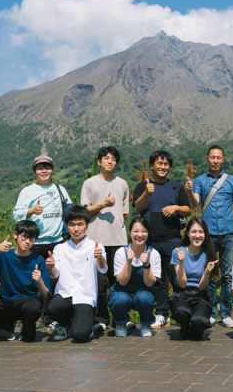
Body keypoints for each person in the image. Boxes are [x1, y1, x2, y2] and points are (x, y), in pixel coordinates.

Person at [185, 144, 233, 328]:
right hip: (207, 235)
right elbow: (195, 203)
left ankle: (226, 314)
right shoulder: (201, 180)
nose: (215, 161)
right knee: (209, 273)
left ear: (223, 160)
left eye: (219, 158)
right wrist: (188, 190)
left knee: (227, 275)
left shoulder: (232, 180)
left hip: (228, 233)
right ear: (207, 159)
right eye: (212, 157)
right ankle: (211, 312)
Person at [132, 150, 192, 329]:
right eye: (159, 163)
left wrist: (175, 207)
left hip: (172, 239)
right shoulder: (143, 186)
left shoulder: (176, 186)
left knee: (176, 277)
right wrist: (147, 193)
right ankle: (161, 314)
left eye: (166, 164)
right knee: (156, 279)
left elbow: (188, 210)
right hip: (149, 241)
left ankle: (182, 312)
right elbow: (138, 207)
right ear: (152, 166)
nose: (163, 167)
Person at [0, 220, 51, 343]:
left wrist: (39, 281)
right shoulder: (4, 255)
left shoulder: (38, 260)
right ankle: (5, 334)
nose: (27, 242)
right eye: (24, 237)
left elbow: (44, 295)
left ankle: (26, 331)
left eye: (32, 239)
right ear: (15, 235)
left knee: (33, 307)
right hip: (7, 304)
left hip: (28, 304)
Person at [81, 146, 130, 330]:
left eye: (114, 159)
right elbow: (84, 212)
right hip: (96, 240)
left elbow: (125, 214)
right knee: (99, 284)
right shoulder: (89, 183)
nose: (110, 161)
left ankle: (120, 318)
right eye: (106, 158)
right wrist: (103, 205)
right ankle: (101, 319)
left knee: (119, 282)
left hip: (118, 241)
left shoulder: (123, 184)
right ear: (99, 161)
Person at [45, 205, 107, 343]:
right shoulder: (60, 248)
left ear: (87, 225)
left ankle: (86, 325)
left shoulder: (95, 247)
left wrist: (100, 257)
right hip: (65, 294)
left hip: (85, 297)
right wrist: (51, 266)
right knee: (53, 308)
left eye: (80, 224)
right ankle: (64, 324)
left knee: (80, 336)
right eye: (72, 225)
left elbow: (103, 269)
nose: (76, 229)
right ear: (67, 226)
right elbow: (55, 274)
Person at [108, 217, 160, 337]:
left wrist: (146, 265)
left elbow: (149, 284)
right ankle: (120, 323)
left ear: (148, 233)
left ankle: (146, 324)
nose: (140, 235)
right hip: (123, 290)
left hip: (143, 291)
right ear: (130, 233)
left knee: (145, 298)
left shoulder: (154, 254)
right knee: (119, 299)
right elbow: (122, 281)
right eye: (136, 231)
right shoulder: (121, 252)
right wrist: (128, 262)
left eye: (143, 231)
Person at [13, 155, 73, 258]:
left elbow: (70, 212)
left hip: (58, 242)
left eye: (47, 168)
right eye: (40, 168)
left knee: (56, 273)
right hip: (34, 243)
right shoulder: (27, 191)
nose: (44, 171)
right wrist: (32, 211)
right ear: (34, 172)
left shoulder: (61, 190)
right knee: (35, 273)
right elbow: (16, 215)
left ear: (52, 171)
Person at [170, 217, 220, 340]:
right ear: (187, 233)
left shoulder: (208, 252)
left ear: (205, 234)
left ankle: (195, 324)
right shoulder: (178, 252)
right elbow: (182, 284)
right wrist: (181, 263)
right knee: (182, 312)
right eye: (193, 232)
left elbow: (202, 286)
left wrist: (207, 272)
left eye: (201, 232)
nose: (197, 235)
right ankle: (185, 324)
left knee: (199, 322)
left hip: (201, 295)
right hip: (183, 294)